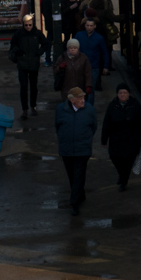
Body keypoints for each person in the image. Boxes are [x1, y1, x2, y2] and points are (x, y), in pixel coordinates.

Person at [55, 86, 98, 216]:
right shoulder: (61, 110)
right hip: (66, 149)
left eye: (83, 97)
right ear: (72, 100)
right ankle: (80, 194)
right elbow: (57, 126)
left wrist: (86, 139)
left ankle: (74, 203)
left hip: (83, 149)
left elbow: (93, 127)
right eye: (80, 98)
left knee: (79, 175)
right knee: (72, 175)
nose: (83, 100)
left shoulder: (89, 109)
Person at [101, 83, 141, 192]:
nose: (122, 95)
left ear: (129, 94)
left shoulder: (135, 105)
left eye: (124, 92)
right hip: (116, 139)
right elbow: (107, 123)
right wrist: (104, 139)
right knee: (115, 158)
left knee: (128, 161)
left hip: (132, 140)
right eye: (120, 93)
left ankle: (124, 181)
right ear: (117, 94)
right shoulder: (112, 106)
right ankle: (122, 174)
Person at [9, 14, 49, 119]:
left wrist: (38, 53)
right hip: (23, 63)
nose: (28, 27)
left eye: (29, 25)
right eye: (26, 25)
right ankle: (26, 109)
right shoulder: (20, 34)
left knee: (33, 86)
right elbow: (13, 45)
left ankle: (32, 106)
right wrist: (19, 52)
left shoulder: (36, 33)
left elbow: (46, 44)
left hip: (32, 63)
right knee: (24, 87)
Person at [75, 18, 109, 98]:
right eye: (87, 25)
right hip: (81, 66)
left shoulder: (99, 38)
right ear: (85, 26)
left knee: (90, 88)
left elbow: (105, 53)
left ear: (95, 26)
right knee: (81, 88)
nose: (89, 27)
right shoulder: (79, 35)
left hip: (94, 66)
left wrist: (106, 66)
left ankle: (89, 107)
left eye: (91, 26)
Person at [39, 0, 55, 66]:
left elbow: (41, 10)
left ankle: (47, 59)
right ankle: (51, 59)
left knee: (49, 41)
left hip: (48, 23)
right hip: (54, 23)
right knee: (54, 41)